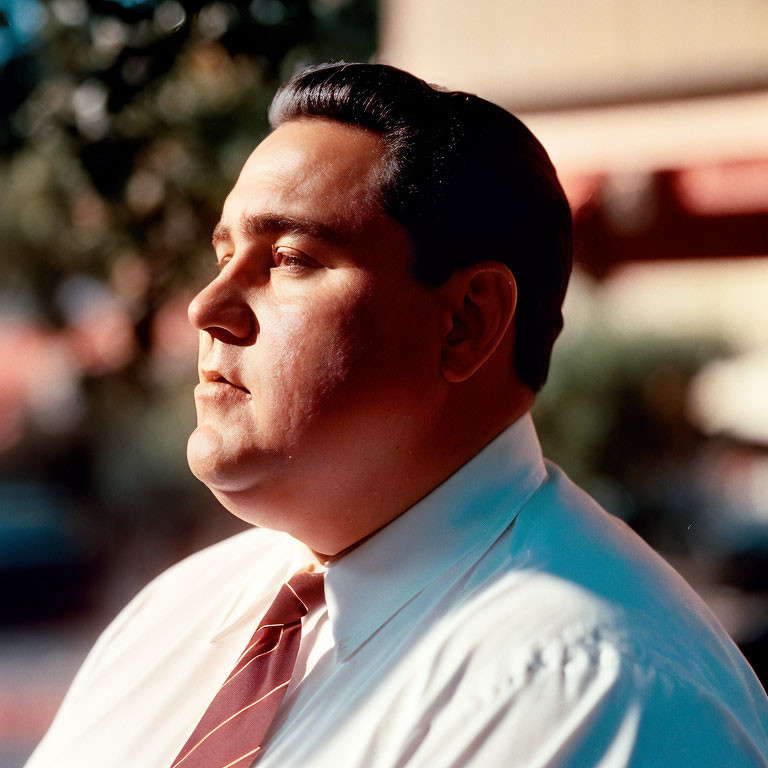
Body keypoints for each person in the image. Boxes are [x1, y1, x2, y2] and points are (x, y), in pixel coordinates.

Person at [26, 62, 768, 768]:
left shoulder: (603, 691)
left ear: (467, 323)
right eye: (223, 254)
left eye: (289, 258)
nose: (205, 307)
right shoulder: (176, 616)